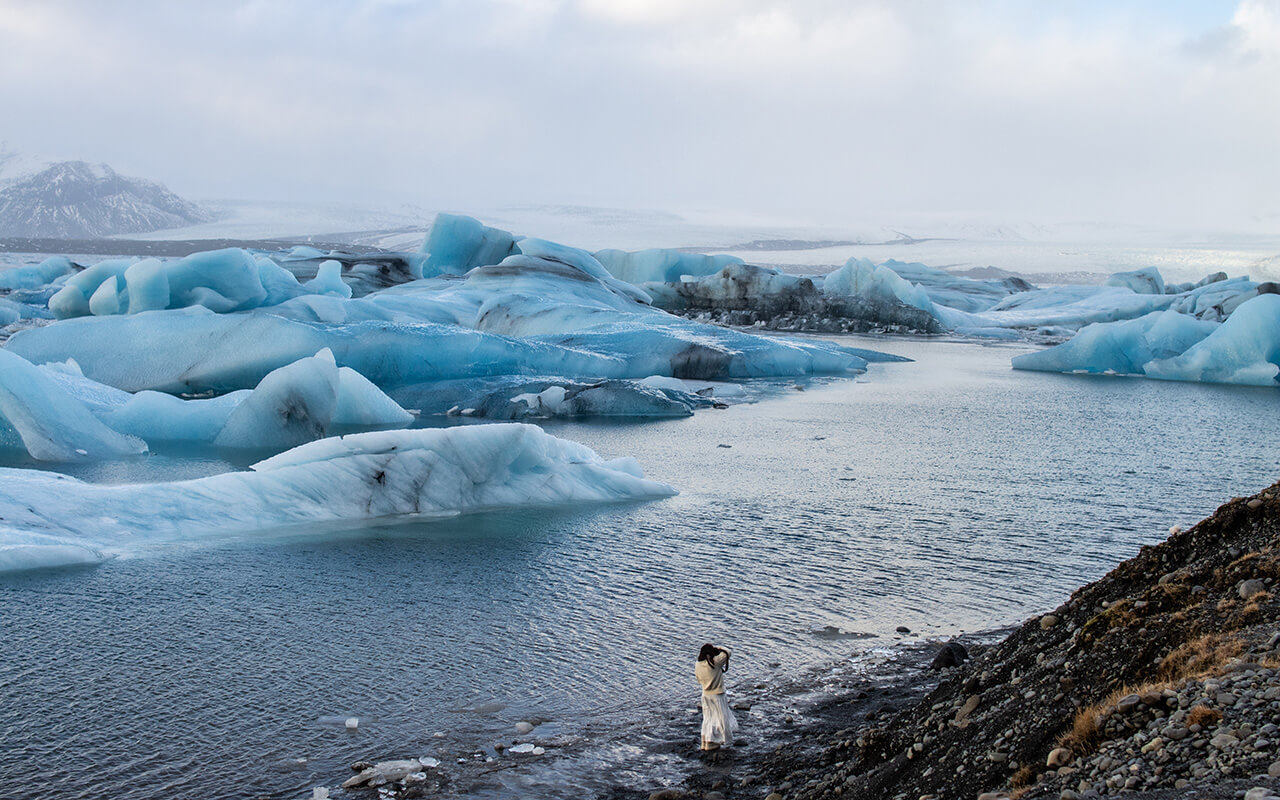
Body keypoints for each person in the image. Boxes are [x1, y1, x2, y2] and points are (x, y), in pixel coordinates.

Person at [695, 643, 737, 750]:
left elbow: (698, 679)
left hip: (705, 695)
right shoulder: (715, 662)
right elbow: (728, 652)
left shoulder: (698, 664)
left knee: (708, 718)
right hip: (718, 694)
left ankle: (706, 741)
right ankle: (719, 740)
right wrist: (718, 648)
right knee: (720, 718)